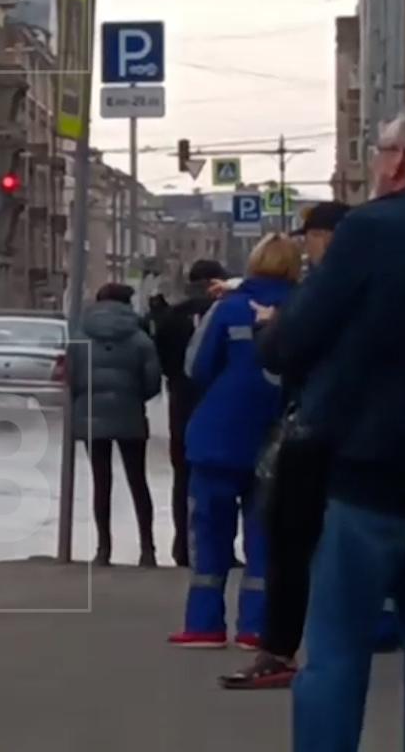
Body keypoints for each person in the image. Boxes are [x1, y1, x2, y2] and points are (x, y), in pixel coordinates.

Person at [266, 105, 405, 751]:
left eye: (379, 151)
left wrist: (273, 337)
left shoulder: (372, 229)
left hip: (371, 472)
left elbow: (295, 339)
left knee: (337, 652)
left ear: (399, 161)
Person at [220, 202, 350, 690]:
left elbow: (281, 352)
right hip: (384, 432)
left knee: (290, 537)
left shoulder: (325, 285)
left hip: (317, 426)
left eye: (310, 237)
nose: (306, 247)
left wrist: (269, 324)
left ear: (326, 237)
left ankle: (279, 651)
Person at [168, 234, 299, 649]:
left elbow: (196, 366)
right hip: (280, 442)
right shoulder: (308, 308)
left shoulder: (228, 308)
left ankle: (204, 625)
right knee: (266, 538)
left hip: (220, 437)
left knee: (209, 533)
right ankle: (256, 628)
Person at [69, 283, 163, 567]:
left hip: (91, 413)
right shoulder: (140, 339)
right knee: (138, 481)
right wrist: (133, 397)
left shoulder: (80, 336)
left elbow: (71, 377)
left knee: (101, 481)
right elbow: (153, 382)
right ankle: (147, 549)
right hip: (130, 413)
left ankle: (103, 549)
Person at [154, 258, 228, 567]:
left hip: (181, 402)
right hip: (219, 400)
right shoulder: (225, 312)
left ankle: (183, 546)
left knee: (183, 475)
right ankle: (219, 547)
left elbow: (162, 359)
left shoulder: (173, 315)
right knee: (223, 475)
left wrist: (176, 380)